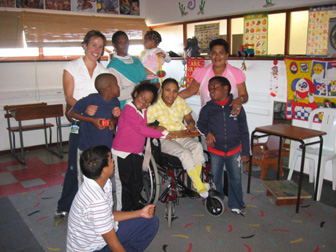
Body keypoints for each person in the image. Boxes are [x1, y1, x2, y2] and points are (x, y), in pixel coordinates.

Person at [55, 30, 109, 218]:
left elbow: (106, 97)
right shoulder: (71, 67)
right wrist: (84, 109)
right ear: (84, 45)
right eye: (93, 44)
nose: (97, 49)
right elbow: (69, 97)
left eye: (101, 46)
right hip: (79, 120)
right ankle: (65, 205)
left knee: (97, 163)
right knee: (75, 164)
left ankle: (95, 204)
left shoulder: (104, 71)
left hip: (97, 124)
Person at [67, 145, 159, 252]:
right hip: (94, 249)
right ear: (104, 170)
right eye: (110, 160)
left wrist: (140, 213)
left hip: (101, 238)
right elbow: (113, 243)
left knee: (150, 221)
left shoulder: (99, 181)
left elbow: (108, 215)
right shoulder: (96, 201)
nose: (113, 162)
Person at [112, 83, 176, 211]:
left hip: (136, 151)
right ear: (136, 94)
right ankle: (122, 211)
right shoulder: (129, 109)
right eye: (142, 97)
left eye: (148, 101)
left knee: (136, 181)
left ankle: (135, 206)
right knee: (124, 184)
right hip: (122, 153)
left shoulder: (143, 110)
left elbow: (143, 127)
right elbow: (140, 129)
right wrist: (162, 134)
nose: (144, 102)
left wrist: (155, 128)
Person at [147, 78, 209, 199]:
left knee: (197, 146)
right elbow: (144, 125)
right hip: (162, 138)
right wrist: (156, 127)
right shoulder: (154, 104)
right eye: (168, 90)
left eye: (175, 91)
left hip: (180, 134)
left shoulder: (179, 101)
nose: (171, 94)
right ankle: (198, 184)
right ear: (161, 90)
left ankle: (197, 184)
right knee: (184, 153)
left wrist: (191, 123)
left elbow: (189, 117)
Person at [197, 76, 250, 216]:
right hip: (215, 151)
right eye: (209, 90)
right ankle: (216, 200)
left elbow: (244, 130)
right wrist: (207, 133)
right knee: (215, 178)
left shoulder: (237, 106)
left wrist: (246, 151)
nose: (211, 92)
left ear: (226, 88)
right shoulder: (208, 108)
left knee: (236, 178)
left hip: (235, 150)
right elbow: (200, 124)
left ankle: (236, 203)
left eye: (215, 87)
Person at [68, 73, 121, 187]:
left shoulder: (115, 101)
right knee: (84, 180)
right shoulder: (91, 99)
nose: (119, 87)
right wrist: (91, 120)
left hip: (105, 148)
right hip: (87, 148)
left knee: (103, 176)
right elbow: (71, 113)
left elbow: (115, 119)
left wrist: (114, 120)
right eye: (116, 84)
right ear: (108, 89)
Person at [179, 38, 248, 115]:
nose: (217, 56)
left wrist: (239, 99)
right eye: (214, 53)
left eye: (221, 52)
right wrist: (168, 98)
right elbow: (188, 91)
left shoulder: (236, 73)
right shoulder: (202, 72)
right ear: (210, 55)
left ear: (226, 55)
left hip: (230, 121)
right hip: (207, 120)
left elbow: (244, 96)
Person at [107, 30, 148, 109]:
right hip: (126, 106)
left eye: (126, 41)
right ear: (114, 45)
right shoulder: (112, 68)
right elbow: (118, 94)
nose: (124, 45)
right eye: (120, 42)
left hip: (144, 103)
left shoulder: (136, 61)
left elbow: (145, 80)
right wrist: (139, 86)